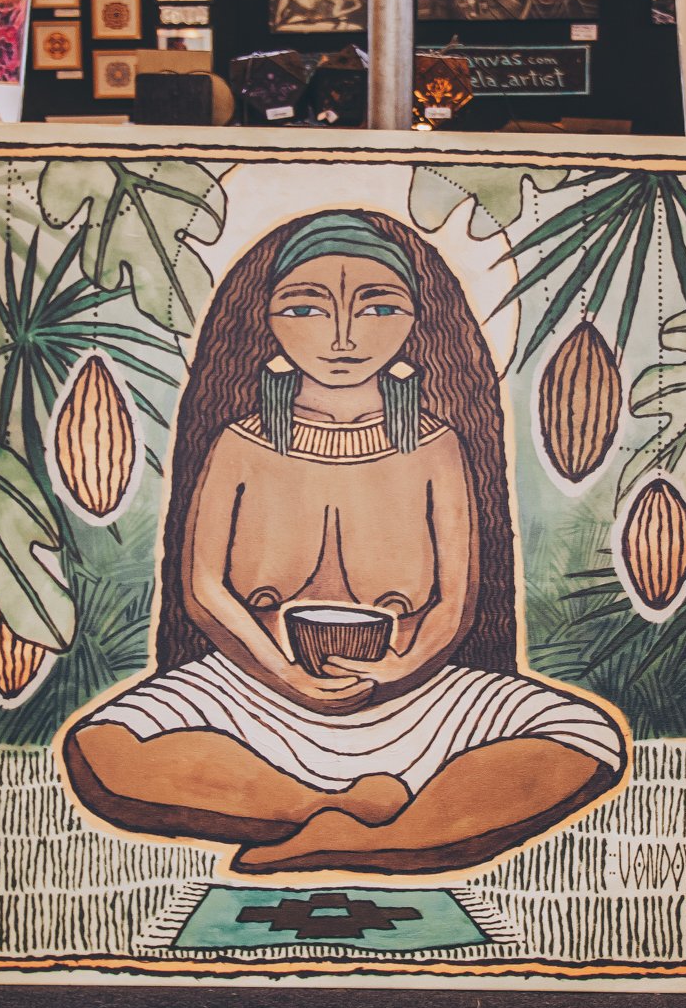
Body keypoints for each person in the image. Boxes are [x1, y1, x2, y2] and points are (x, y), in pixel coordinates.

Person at [62, 210, 625, 874]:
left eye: (378, 305)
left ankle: (367, 840)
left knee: (584, 738)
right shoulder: (239, 443)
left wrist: (401, 669)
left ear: (419, 321)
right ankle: (323, 807)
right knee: (103, 747)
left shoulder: (438, 446)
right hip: (251, 694)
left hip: (415, 698)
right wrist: (280, 672)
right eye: (304, 307)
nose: (343, 336)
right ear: (263, 319)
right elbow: (205, 587)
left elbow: (454, 601)